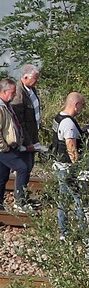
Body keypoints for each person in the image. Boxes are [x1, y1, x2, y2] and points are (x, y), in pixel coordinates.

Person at [52, 91, 86, 238]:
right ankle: (81, 230)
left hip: (59, 165)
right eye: (82, 106)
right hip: (67, 168)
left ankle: (63, 231)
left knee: (63, 199)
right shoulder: (68, 124)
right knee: (78, 198)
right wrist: (79, 168)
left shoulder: (58, 118)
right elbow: (71, 147)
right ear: (76, 105)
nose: (81, 110)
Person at [0, 78, 31, 212]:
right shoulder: (1, 108)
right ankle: (20, 202)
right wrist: (4, 148)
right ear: (4, 91)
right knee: (23, 168)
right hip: (3, 149)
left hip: (7, 147)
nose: (14, 95)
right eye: (12, 93)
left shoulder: (7, 105)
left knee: (2, 176)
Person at [10, 64, 41, 193]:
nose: (37, 81)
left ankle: (23, 196)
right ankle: (20, 198)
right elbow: (19, 121)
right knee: (24, 167)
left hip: (33, 135)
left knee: (28, 166)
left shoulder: (31, 89)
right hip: (25, 138)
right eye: (35, 78)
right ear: (25, 77)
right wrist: (27, 141)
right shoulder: (18, 93)